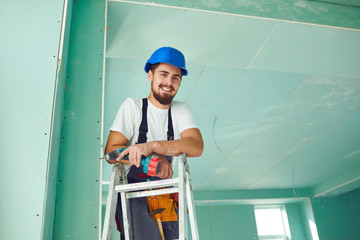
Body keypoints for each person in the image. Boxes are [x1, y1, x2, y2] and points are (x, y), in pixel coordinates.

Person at [105, 46, 204, 240]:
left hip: (166, 195)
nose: (169, 82)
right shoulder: (133, 107)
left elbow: (196, 146)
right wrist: (148, 162)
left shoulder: (180, 110)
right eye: (163, 74)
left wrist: (152, 147)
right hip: (135, 195)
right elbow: (112, 152)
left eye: (176, 77)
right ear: (150, 75)